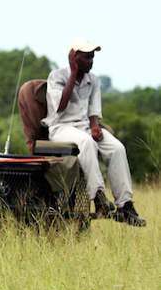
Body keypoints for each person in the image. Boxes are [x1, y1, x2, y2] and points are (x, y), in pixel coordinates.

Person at [43, 38, 145, 226]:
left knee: (117, 148)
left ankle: (125, 205)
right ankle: (98, 198)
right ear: (74, 58)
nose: (91, 62)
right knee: (87, 142)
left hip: (84, 127)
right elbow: (60, 106)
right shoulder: (57, 76)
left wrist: (96, 126)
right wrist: (73, 73)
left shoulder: (93, 80)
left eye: (92, 57)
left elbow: (94, 111)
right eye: (87, 57)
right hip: (61, 128)